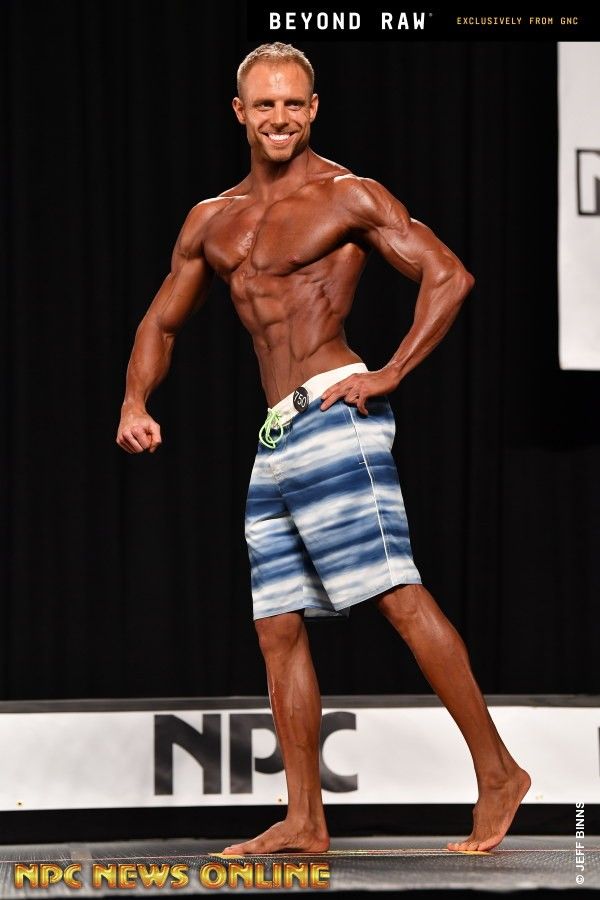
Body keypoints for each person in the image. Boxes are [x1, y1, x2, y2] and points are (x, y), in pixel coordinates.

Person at [116, 42, 531, 855]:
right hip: (277, 433)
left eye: (293, 103)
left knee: (396, 596)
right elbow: (160, 322)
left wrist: (390, 371)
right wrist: (135, 399)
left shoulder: (348, 196)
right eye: (264, 104)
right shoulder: (212, 219)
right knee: (276, 626)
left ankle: (498, 772)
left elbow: (448, 275)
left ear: (312, 109)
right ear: (240, 113)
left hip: (337, 413)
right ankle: (306, 818)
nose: (279, 118)